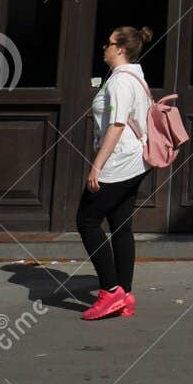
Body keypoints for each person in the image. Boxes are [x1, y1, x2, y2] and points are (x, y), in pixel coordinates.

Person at [77, 25, 151, 320]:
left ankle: (110, 291)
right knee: (121, 225)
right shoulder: (136, 76)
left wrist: (97, 164)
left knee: (86, 220)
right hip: (136, 162)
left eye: (108, 43)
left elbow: (117, 125)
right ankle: (126, 294)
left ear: (120, 48)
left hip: (119, 163)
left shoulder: (120, 81)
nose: (103, 48)